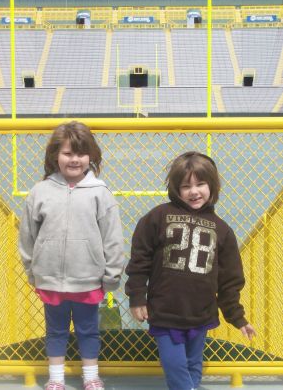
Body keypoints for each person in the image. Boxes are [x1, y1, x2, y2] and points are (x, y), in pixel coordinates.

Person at [125, 151, 256, 390]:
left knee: (194, 363)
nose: (194, 191)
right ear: (176, 189)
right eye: (186, 186)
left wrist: (237, 317)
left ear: (212, 186)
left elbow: (230, 280)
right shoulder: (158, 217)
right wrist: (137, 297)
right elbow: (139, 260)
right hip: (165, 311)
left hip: (201, 313)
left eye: (201, 184)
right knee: (174, 365)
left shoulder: (222, 229)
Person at [19, 121, 124, 390]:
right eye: (67, 153)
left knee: (88, 330)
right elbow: (27, 236)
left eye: (80, 153)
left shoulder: (101, 193)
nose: (74, 159)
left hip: (88, 279)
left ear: (91, 157)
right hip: (51, 279)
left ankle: (91, 377)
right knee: (55, 331)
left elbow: (112, 239)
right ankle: (56, 379)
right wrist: (33, 271)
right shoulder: (39, 192)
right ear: (55, 155)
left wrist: (111, 276)